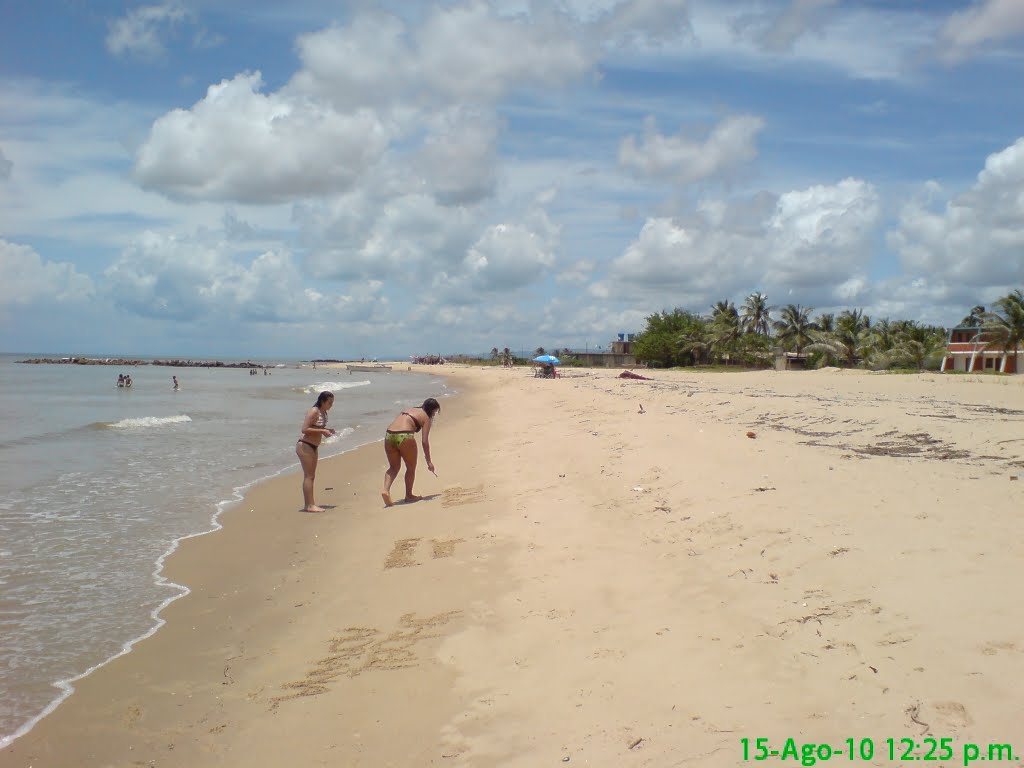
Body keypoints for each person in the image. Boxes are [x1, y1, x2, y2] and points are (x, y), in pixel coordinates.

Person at [382, 397, 440, 507]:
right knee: (410, 467)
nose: (434, 415)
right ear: (432, 410)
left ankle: (385, 490)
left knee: (393, 467)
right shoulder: (426, 418)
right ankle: (409, 495)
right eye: (435, 412)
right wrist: (429, 461)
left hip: (389, 435)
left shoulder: (411, 409)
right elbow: (424, 441)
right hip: (405, 435)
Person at [295, 391, 336, 512]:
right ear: (322, 401)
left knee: (311, 476)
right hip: (305, 446)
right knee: (309, 476)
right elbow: (305, 429)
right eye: (329, 403)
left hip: (314, 446)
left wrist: (327, 430)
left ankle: (310, 504)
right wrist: (322, 432)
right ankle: (309, 505)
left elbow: (316, 427)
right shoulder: (314, 411)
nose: (331, 405)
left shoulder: (323, 412)